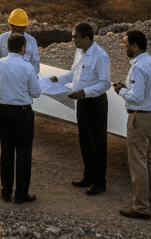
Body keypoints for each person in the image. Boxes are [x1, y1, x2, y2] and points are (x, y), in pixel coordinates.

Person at [43, 22, 110, 195]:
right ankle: (88, 177)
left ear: (86, 38)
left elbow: (105, 83)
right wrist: (58, 79)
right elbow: (73, 74)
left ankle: (99, 182)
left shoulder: (101, 56)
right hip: (81, 101)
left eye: (75, 37)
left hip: (95, 102)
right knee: (84, 141)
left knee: (98, 143)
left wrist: (84, 92)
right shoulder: (80, 52)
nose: (72, 40)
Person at [113, 30, 151, 220]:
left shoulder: (139, 67)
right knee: (150, 160)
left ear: (134, 46)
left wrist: (121, 91)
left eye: (125, 43)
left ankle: (140, 207)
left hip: (140, 118)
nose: (124, 46)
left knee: (137, 162)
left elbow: (137, 96)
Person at [0, 33, 41, 203]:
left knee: (6, 151)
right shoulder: (28, 67)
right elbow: (36, 92)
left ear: (8, 46)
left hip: (5, 111)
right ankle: (21, 194)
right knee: (24, 153)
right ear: (23, 48)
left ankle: (6, 191)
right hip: (23, 112)